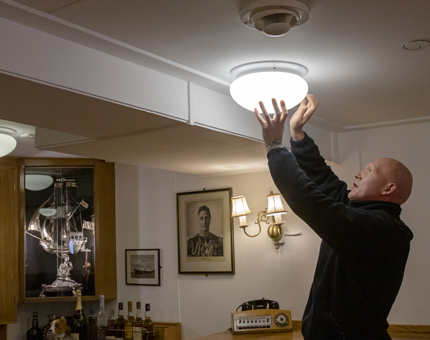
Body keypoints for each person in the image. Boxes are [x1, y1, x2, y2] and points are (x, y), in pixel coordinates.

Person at [254, 95, 413, 340]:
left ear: (388, 189)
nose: (359, 173)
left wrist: (275, 147)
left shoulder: (381, 229)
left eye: (369, 171)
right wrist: (297, 134)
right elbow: (324, 179)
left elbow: (312, 202)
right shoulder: (359, 214)